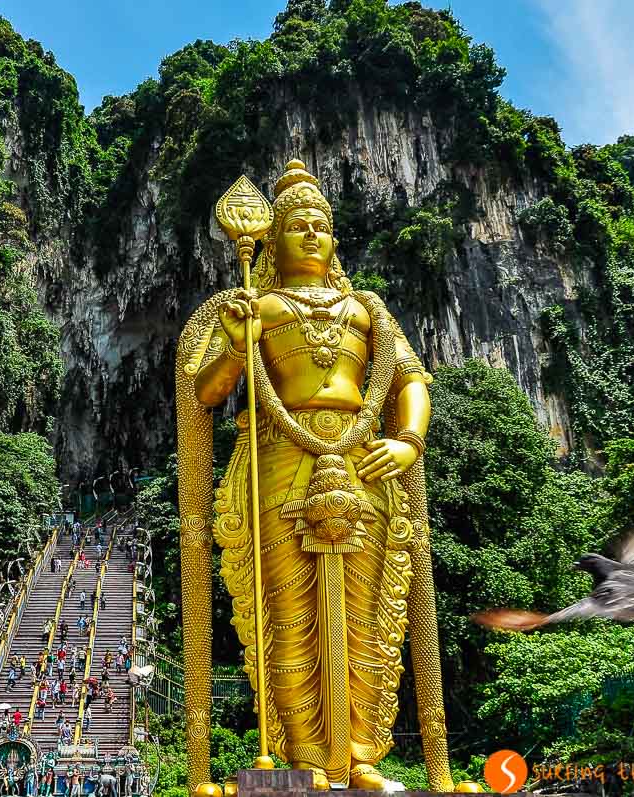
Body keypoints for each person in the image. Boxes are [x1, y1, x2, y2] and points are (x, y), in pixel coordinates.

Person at [175, 160, 453, 790]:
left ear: (334, 239)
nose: (311, 235)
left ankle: (360, 755)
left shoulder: (368, 310)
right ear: (271, 242)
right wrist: (236, 346)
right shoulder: (257, 306)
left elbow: (410, 381)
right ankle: (303, 759)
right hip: (280, 462)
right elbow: (206, 394)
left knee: (365, 611)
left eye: (321, 225)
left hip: (362, 462)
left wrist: (408, 441)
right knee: (288, 610)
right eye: (297, 225)